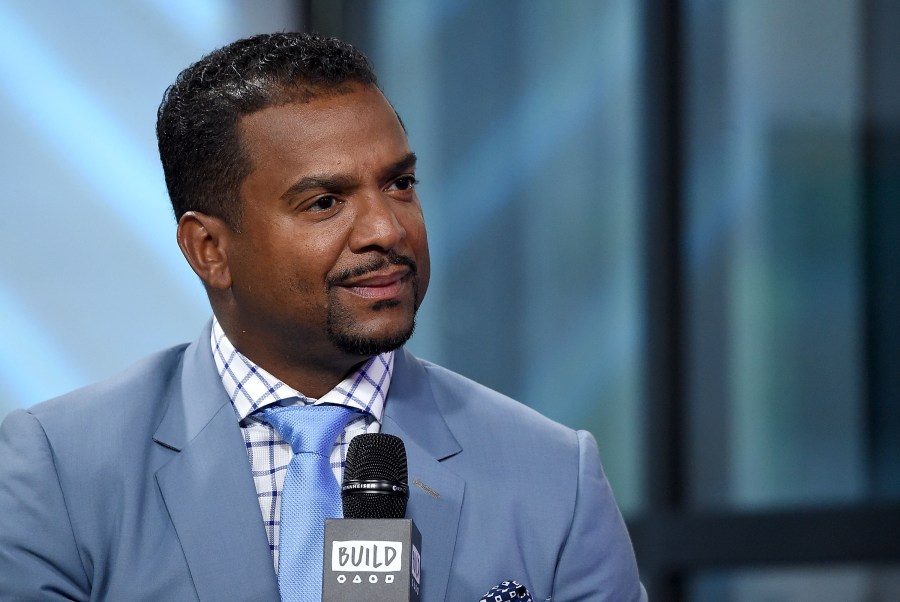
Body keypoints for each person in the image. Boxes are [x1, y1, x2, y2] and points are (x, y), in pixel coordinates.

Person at [0, 33, 646, 601]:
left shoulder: (555, 474)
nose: (387, 229)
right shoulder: (56, 469)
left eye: (399, 184)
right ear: (210, 250)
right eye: (325, 202)